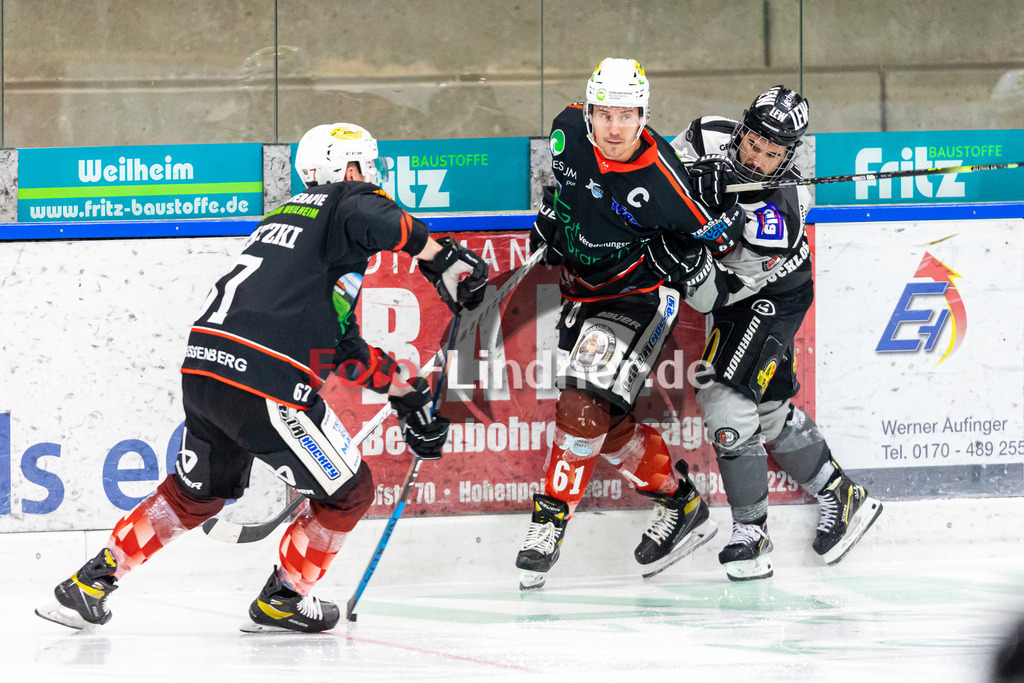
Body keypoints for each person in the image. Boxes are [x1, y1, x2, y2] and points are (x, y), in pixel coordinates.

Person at [35, 123, 488, 632]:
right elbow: (371, 212)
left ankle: (89, 582)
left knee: (196, 494)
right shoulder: (345, 201)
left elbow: (338, 346)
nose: (377, 179)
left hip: (205, 373)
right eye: (370, 166)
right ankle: (284, 598)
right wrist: (440, 256)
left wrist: (405, 392)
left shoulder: (285, 226)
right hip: (263, 383)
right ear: (350, 169)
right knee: (351, 492)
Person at [518, 57, 747, 590]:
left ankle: (548, 521)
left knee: (578, 404)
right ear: (589, 111)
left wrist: (714, 223)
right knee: (603, 422)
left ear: (643, 116)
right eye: (605, 113)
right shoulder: (565, 130)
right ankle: (680, 502)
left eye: (627, 115)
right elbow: (567, 189)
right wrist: (553, 219)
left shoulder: (662, 176)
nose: (614, 127)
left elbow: (717, 243)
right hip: (582, 290)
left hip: (638, 296)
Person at [671, 85, 883, 581]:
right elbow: (660, 178)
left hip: (767, 294)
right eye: (754, 144)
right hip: (735, 293)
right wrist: (690, 184)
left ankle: (752, 533)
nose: (760, 159)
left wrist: (711, 220)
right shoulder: (706, 133)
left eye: (774, 154)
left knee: (725, 398)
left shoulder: (786, 209)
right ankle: (840, 492)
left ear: (789, 154)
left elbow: (710, 293)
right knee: (764, 409)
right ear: (741, 129)